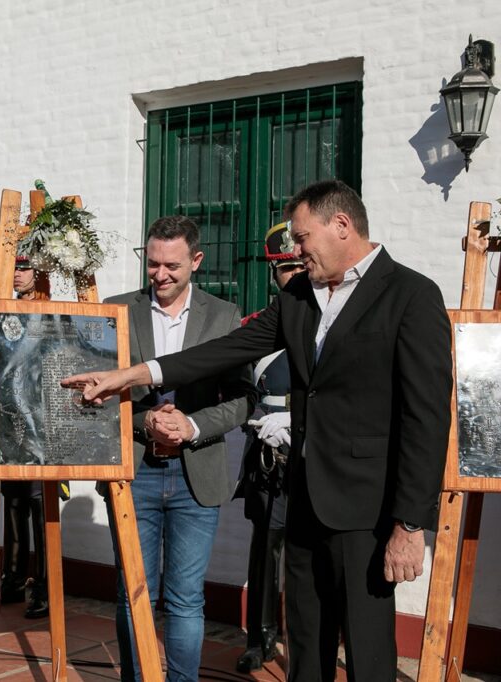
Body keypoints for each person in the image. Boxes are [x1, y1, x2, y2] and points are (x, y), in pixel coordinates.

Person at [63, 180, 453, 681]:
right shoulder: (299, 294)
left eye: (301, 237)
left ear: (341, 226)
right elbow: (224, 351)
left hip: (367, 509)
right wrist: (131, 375)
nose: (296, 249)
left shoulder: (411, 294)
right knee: (305, 640)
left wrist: (409, 524)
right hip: (305, 496)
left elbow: (426, 418)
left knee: (366, 647)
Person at [103, 216, 254, 682]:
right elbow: (93, 398)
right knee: (137, 594)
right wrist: (142, 420)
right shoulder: (115, 311)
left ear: (196, 260)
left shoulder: (224, 316)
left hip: (197, 475)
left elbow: (243, 400)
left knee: (186, 597)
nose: (161, 275)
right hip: (135, 472)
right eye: (152, 265)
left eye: (172, 265)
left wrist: (191, 425)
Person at [232, 222, 305, 672]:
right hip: (271, 455)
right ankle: (261, 638)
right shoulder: (257, 330)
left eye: (299, 264)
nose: (293, 275)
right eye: (284, 268)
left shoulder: (333, 325)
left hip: (319, 453)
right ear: (273, 274)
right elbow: (238, 395)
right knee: (266, 548)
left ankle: (309, 638)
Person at [0, 256, 54, 618]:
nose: (17, 274)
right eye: (14, 267)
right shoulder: (2, 312)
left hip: (42, 420)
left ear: (40, 272)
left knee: (42, 508)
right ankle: (12, 578)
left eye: (24, 267)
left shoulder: (50, 313)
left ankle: (43, 585)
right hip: (10, 418)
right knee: (12, 503)